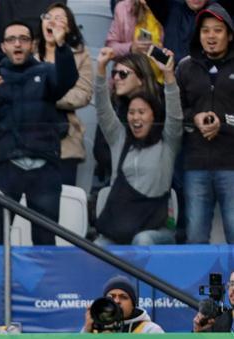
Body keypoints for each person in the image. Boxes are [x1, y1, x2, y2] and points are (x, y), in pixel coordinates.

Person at [0, 20, 78, 245]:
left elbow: (68, 80)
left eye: (23, 39)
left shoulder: (46, 72)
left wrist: (61, 45)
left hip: (45, 167)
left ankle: (44, 281)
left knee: (45, 237)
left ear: (33, 45)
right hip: (6, 167)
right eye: (11, 40)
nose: (17, 44)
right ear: (3, 46)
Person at [94, 45, 181, 245]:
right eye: (132, 112)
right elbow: (102, 107)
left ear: (154, 116)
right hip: (120, 226)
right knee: (99, 246)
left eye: (142, 112)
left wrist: (169, 75)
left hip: (155, 229)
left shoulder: (168, 142)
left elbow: (175, 115)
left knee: (142, 240)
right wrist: (100, 68)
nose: (135, 117)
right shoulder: (119, 139)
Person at [176, 4, 234, 244]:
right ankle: (195, 284)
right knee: (195, 236)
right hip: (195, 164)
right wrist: (194, 118)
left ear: (229, 34)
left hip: (231, 165)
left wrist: (224, 123)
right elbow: (175, 111)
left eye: (217, 30)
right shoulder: (185, 67)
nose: (211, 37)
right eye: (205, 31)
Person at [36, 2, 93, 186]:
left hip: (65, 140)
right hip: (31, 138)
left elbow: (83, 93)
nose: (51, 22)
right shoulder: (29, 52)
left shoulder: (80, 54)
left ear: (68, 28)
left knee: (64, 202)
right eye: (48, 17)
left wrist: (50, 97)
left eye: (59, 19)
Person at [92, 51, 161, 186]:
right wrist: (101, 67)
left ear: (141, 78)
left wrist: (169, 74)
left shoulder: (159, 108)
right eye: (114, 74)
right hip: (118, 182)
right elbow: (100, 148)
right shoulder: (115, 105)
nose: (116, 78)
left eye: (123, 74)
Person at [106, 0, 168, 82]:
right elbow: (110, 48)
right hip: (130, 81)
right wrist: (131, 48)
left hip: (160, 81)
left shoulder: (172, 9)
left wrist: (160, 52)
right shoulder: (123, 8)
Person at [82, 275, 165, 333]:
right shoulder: (95, 330)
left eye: (123, 297)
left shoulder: (150, 330)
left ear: (133, 305)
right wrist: (86, 331)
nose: (117, 301)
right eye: (111, 297)